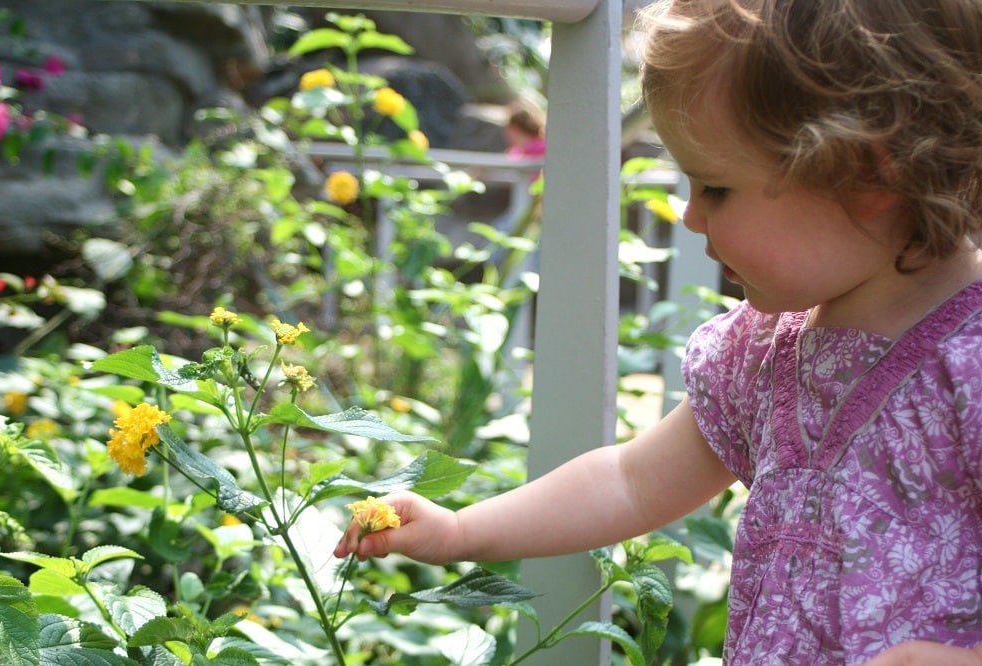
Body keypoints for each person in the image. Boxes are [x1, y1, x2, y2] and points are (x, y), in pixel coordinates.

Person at [336, 0, 982, 663]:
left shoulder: (968, 365)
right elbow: (630, 481)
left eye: (716, 189)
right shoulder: (763, 354)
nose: (690, 216)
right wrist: (461, 530)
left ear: (865, 172)